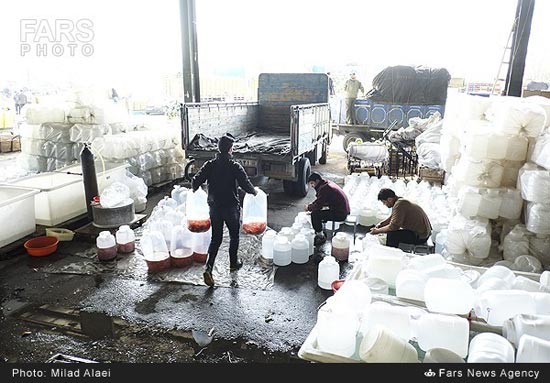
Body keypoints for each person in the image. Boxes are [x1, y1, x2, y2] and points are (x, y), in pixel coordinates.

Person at [192, 133, 257, 287]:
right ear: (230, 150)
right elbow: (245, 184)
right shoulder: (234, 166)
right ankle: (233, 263)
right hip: (230, 208)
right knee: (234, 236)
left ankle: (208, 268)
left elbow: (196, 181)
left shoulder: (210, 165)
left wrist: (195, 189)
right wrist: (255, 192)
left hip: (215, 207)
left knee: (216, 239)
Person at [304, 172, 350, 246]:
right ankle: (321, 231)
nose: (312, 186)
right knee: (316, 211)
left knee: (315, 215)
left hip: (340, 213)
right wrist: (312, 206)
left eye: (312, 183)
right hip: (342, 209)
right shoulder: (326, 184)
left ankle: (320, 236)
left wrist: (309, 208)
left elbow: (318, 205)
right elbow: (320, 201)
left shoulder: (324, 189)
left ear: (317, 181)